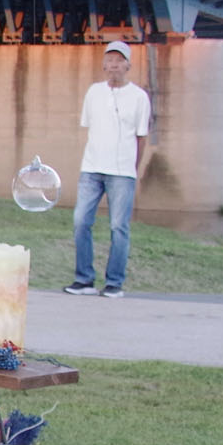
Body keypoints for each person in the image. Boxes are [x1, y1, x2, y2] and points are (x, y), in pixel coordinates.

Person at [64, 39, 152, 297]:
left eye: (119, 61)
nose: (114, 65)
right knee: (81, 221)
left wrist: (133, 167)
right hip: (91, 169)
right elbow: (89, 128)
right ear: (104, 65)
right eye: (110, 60)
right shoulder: (94, 92)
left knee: (118, 226)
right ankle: (84, 279)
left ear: (128, 65)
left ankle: (114, 282)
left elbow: (141, 136)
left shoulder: (139, 97)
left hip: (122, 172)